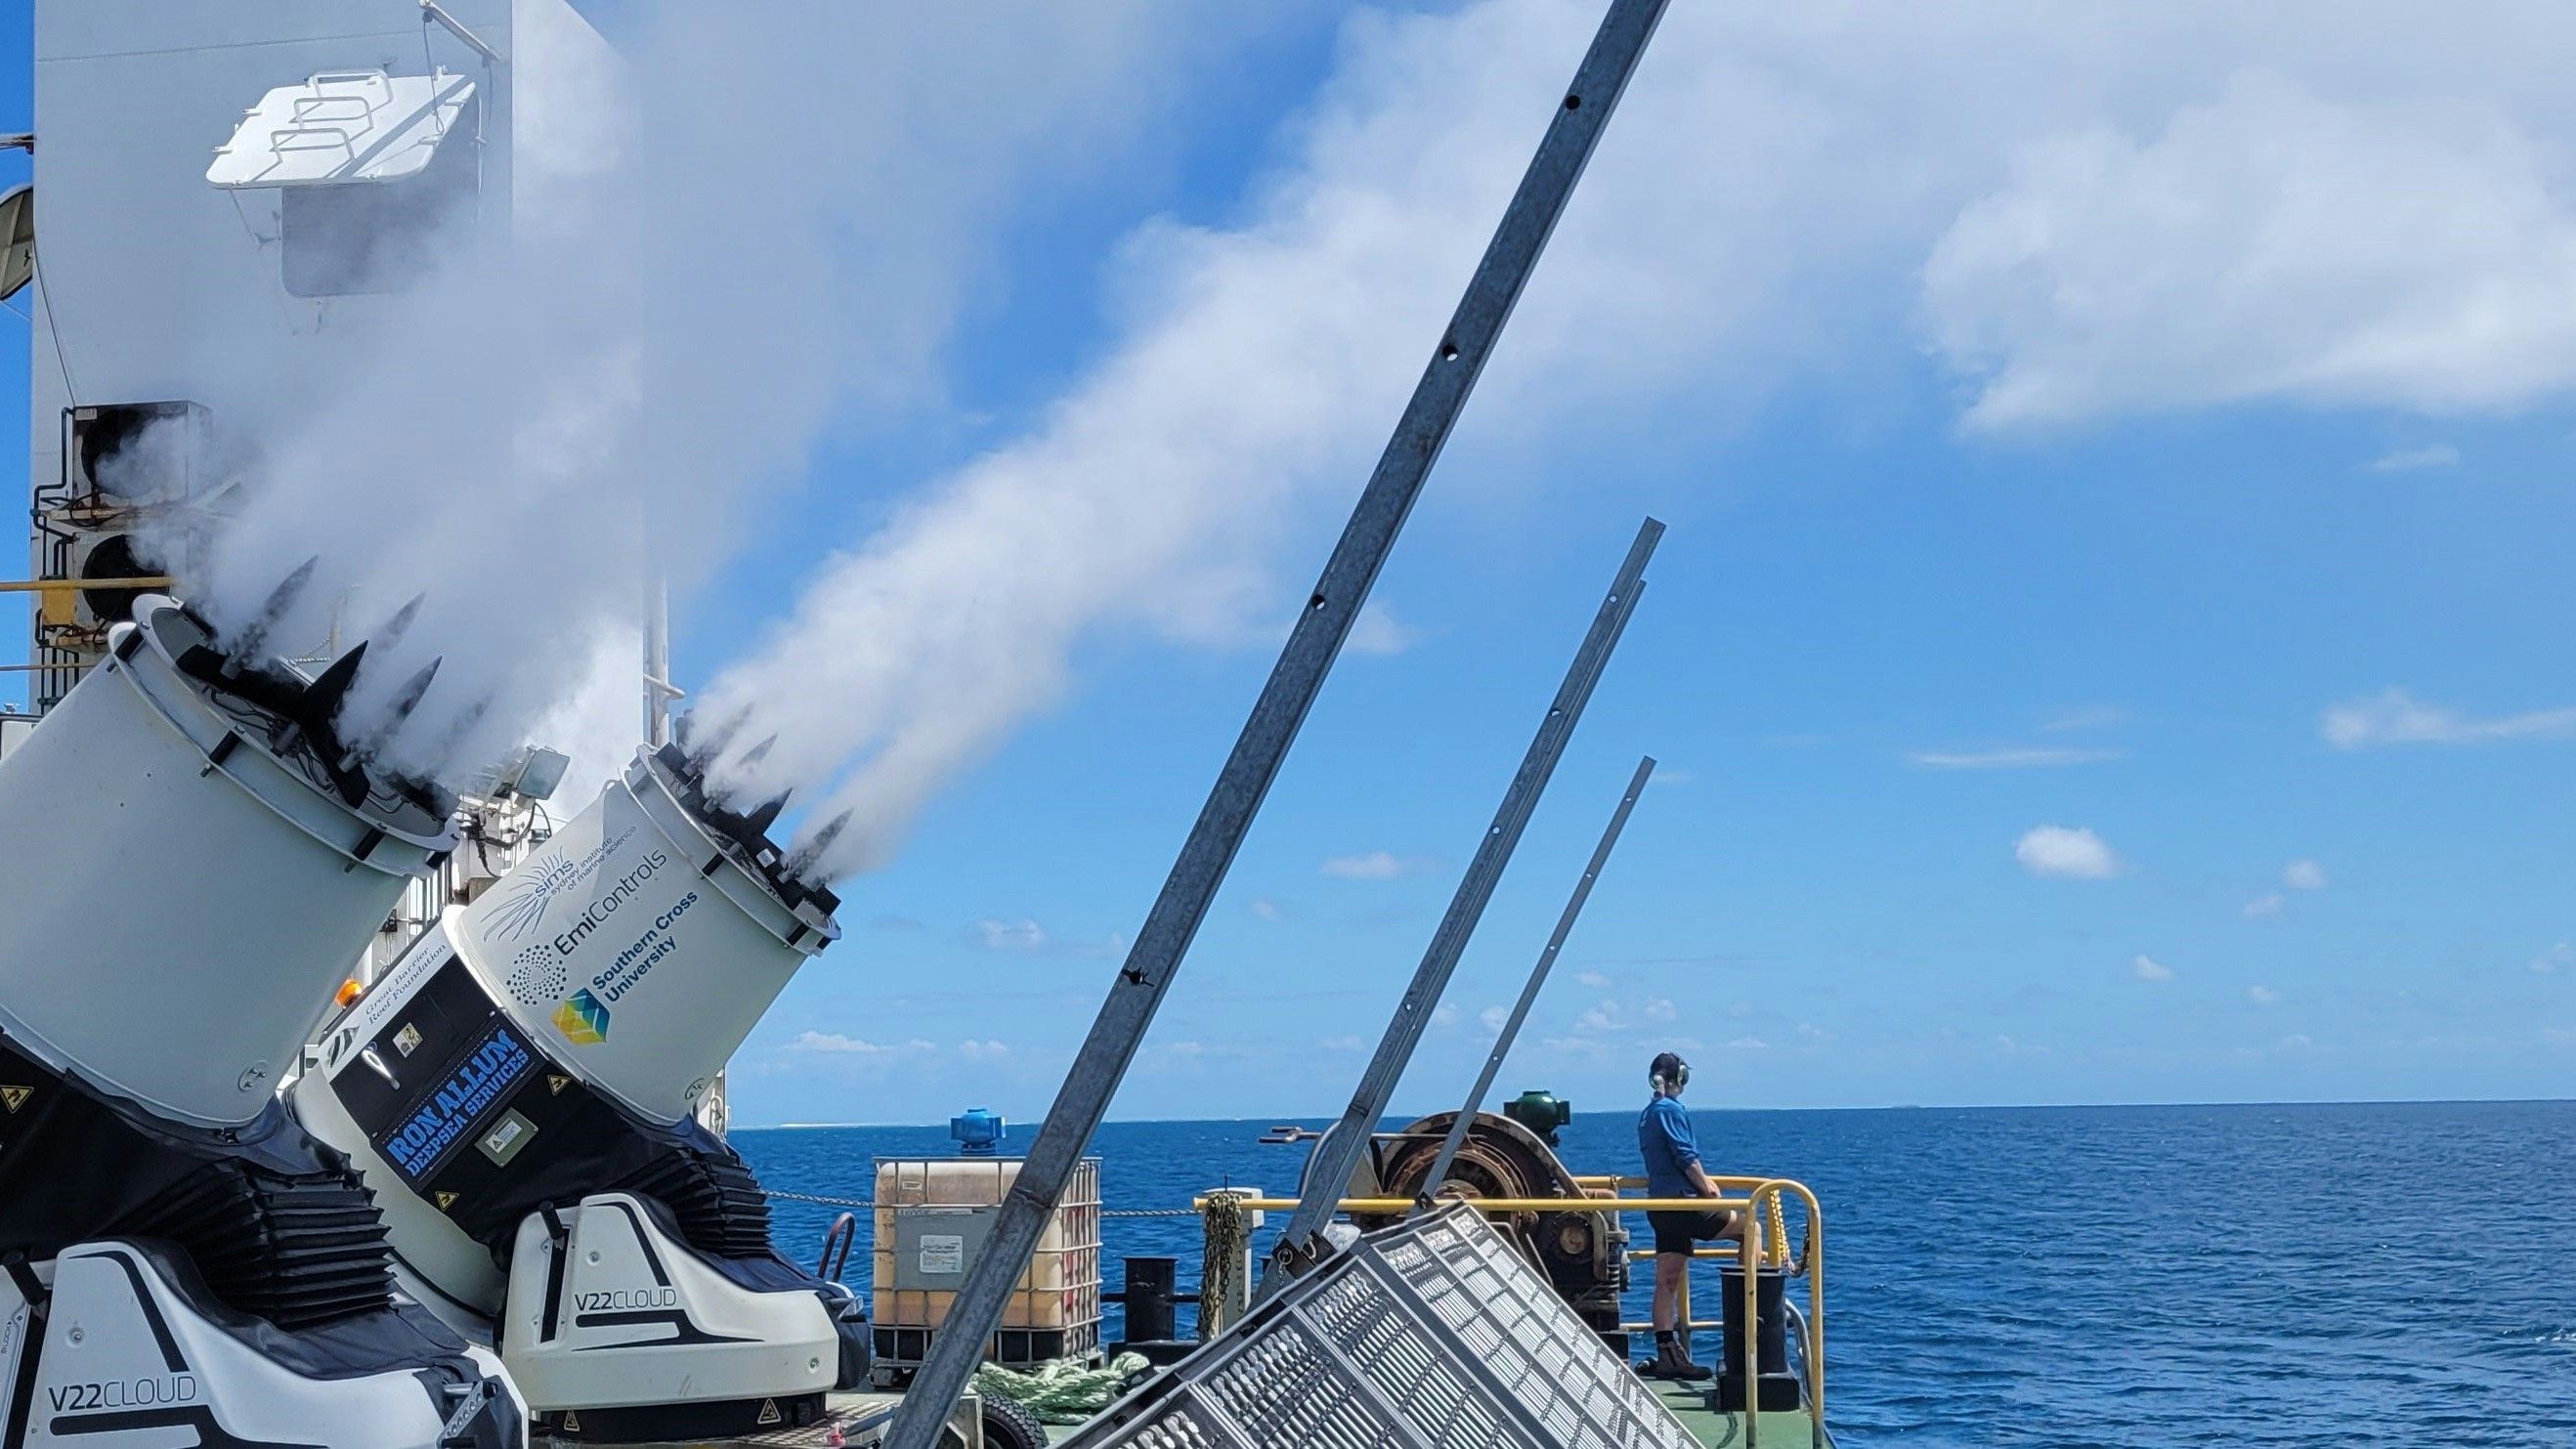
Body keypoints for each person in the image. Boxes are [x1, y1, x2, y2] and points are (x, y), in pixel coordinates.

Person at [1636, 1049, 1751, 1381]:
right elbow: (1684, 1155)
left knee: (1667, 1280)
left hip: (1661, 1207)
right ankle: (1749, 1319)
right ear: (1679, 1079)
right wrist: (1708, 1188)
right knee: (1751, 1228)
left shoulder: (1647, 1114)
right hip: (1684, 1204)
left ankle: (1667, 1353)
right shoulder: (1671, 1110)